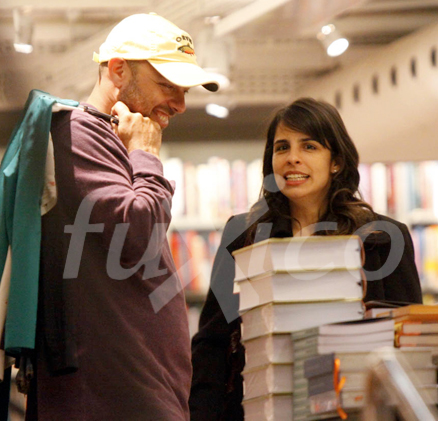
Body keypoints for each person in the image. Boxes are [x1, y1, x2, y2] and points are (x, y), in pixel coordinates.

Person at [24, 13, 220, 421]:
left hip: (134, 392)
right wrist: (146, 156)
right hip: (112, 396)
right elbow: (138, 236)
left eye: (185, 91)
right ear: (118, 69)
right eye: (168, 85)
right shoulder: (80, 134)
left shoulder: (110, 139)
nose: (181, 105)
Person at [189, 97, 423, 420]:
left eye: (309, 147)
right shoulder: (241, 236)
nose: (292, 159)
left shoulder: (384, 239)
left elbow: (406, 344)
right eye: (282, 148)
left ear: (336, 161)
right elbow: (211, 348)